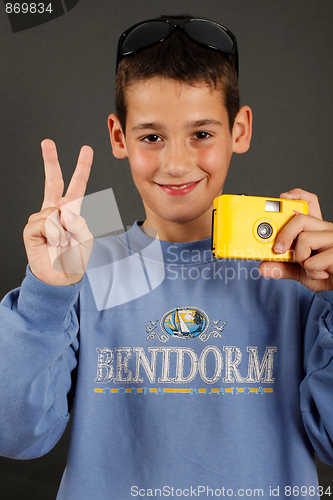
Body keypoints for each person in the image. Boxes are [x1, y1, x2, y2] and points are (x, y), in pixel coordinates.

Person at [1, 15, 333, 500]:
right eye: (151, 137)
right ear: (119, 138)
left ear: (239, 130)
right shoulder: (84, 248)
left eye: (202, 134)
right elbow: (17, 435)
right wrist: (46, 291)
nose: (176, 164)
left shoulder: (296, 266)